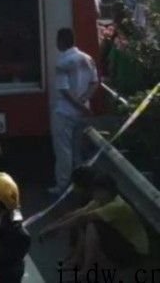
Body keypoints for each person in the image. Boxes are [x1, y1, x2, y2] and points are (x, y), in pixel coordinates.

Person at [39, 172, 148, 275]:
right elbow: (77, 214)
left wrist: (54, 228)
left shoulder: (117, 206)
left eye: (96, 191)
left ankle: (86, 269)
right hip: (121, 238)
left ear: (105, 191)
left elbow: (82, 218)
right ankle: (76, 259)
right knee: (83, 222)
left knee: (91, 224)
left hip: (135, 250)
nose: (93, 193)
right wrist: (51, 226)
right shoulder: (101, 201)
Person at [51, 28, 99, 195]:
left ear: (61, 41)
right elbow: (94, 83)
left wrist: (78, 105)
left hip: (65, 112)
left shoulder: (63, 62)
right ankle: (81, 186)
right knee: (79, 150)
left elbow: (64, 90)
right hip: (83, 113)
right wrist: (84, 102)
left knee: (64, 150)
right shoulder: (88, 58)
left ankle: (63, 186)